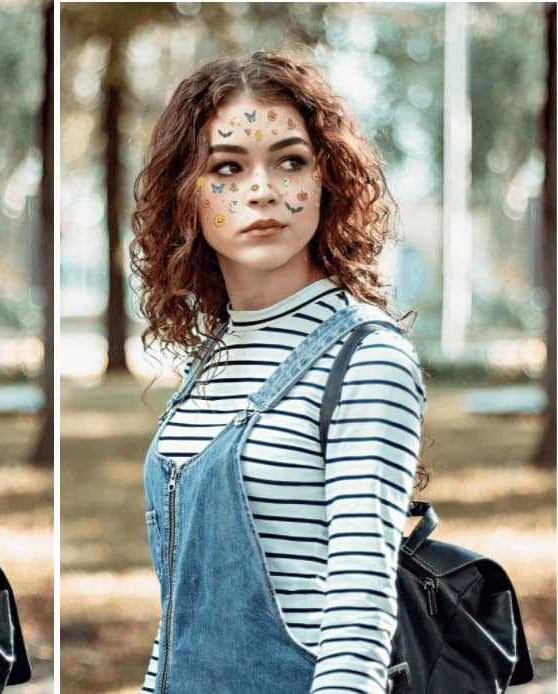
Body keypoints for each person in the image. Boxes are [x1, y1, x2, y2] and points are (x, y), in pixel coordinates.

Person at [130, 50, 427, 694]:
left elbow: (358, 607)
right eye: (227, 168)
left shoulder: (366, 359)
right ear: (188, 193)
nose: (262, 190)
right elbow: (178, 610)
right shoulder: (210, 364)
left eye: (290, 161)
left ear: (328, 181)